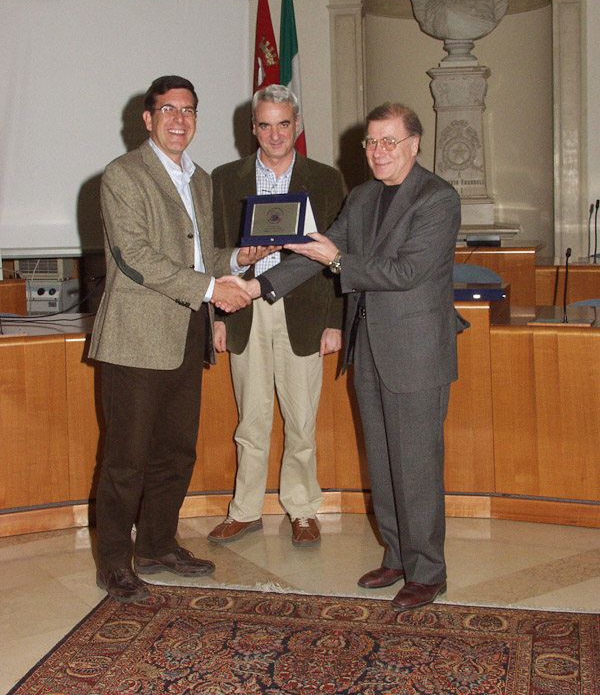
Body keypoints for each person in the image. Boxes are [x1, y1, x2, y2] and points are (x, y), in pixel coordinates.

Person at [248, 102, 468, 610]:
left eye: (389, 142)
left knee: (416, 464)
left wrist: (339, 259)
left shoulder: (438, 198)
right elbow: (314, 251)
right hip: (368, 348)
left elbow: (406, 272)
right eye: (371, 143)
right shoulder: (365, 197)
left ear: (414, 144)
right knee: (385, 461)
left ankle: (428, 571)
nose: (378, 152)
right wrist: (257, 288)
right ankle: (397, 555)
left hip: (415, 352)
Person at [89, 75, 269, 603]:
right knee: (126, 457)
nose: (179, 119)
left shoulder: (202, 179)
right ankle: (115, 562)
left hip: (187, 331)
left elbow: (203, 256)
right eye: (168, 110)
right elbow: (136, 258)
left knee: (175, 451)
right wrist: (216, 287)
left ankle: (159, 544)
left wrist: (238, 261)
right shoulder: (123, 175)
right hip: (136, 336)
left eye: (188, 110)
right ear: (147, 119)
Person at [208, 85, 345, 546]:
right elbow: (211, 253)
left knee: (301, 417)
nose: (274, 134)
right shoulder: (226, 178)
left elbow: (340, 252)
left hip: (304, 311)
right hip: (243, 308)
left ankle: (303, 509)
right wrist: (219, 314)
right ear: (253, 129)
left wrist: (335, 319)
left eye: (283, 123)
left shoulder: (325, 179)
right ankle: (245, 510)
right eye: (264, 125)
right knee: (251, 418)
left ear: (297, 125)